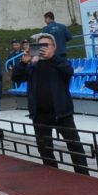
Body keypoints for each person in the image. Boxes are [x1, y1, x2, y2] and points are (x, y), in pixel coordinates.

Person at [10, 33, 89, 174]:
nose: (43, 49)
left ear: (54, 47)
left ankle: (83, 174)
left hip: (61, 113)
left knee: (74, 145)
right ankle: (52, 174)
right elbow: (16, 77)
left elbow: (68, 71)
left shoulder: (60, 61)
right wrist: (23, 62)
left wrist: (53, 57)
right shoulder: (33, 64)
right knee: (44, 147)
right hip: (40, 114)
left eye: (47, 45)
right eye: (40, 46)